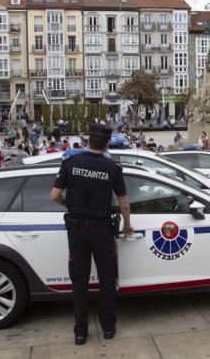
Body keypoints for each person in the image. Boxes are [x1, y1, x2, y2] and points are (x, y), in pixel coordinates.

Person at [50, 123, 133, 345]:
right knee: (107, 280)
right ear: (107, 144)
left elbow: (54, 195)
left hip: (77, 230)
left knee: (79, 282)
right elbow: (124, 203)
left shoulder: (71, 163)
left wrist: (69, 205)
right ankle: (108, 328)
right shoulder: (112, 168)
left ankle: (80, 332)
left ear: (88, 141)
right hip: (102, 230)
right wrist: (127, 225)